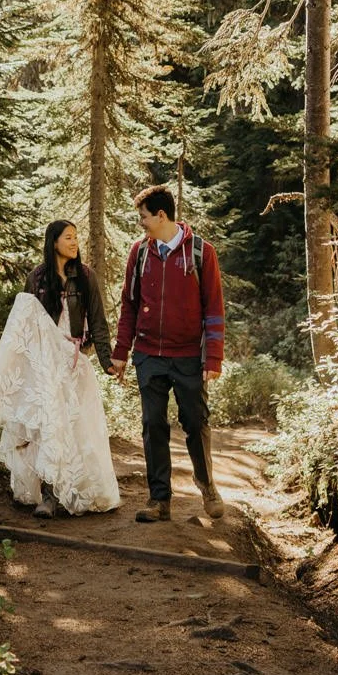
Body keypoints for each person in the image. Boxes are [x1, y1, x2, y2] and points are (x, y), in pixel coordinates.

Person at [0, 220, 120, 518]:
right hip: (44, 363)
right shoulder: (36, 278)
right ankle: (48, 496)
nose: (75, 242)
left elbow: (98, 321)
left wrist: (106, 361)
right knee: (47, 425)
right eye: (68, 237)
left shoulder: (85, 277)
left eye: (76, 237)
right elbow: (23, 323)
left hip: (73, 361)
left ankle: (71, 491)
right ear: (54, 243)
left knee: (73, 428)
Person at [110, 185, 226, 523]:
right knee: (153, 425)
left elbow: (214, 307)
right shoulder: (139, 253)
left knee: (195, 422)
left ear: (161, 215)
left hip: (189, 356)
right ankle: (159, 500)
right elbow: (129, 305)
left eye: (144, 217)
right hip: (149, 355)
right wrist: (121, 352)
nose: (141, 223)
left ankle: (207, 486)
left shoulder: (201, 252)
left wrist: (213, 357)